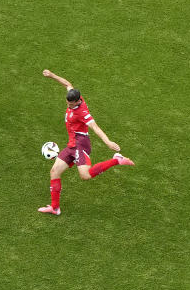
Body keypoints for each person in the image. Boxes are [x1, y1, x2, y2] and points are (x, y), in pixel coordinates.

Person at [37, 70, 134, 216]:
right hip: (71, 145)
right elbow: (67, 84)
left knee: (86, 175)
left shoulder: (83, 112)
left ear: (77, 101)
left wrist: (108, 142)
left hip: (80, 144)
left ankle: (116, 160)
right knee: (54, 171)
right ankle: (55, 208)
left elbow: (95, 127)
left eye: (71, 104)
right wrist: (52, 75)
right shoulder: (74, 95)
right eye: (67, 103)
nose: (69, 106)